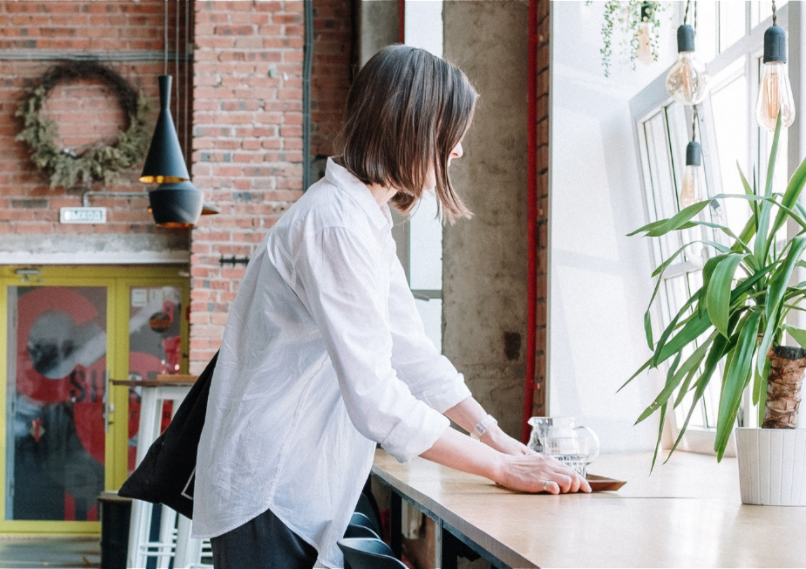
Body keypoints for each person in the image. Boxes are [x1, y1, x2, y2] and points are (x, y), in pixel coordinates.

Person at [191, 44, 590, 569]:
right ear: (413, 128)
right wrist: (498, 468)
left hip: (298, 484)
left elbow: (412, 354)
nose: (458, 153)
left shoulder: (363, 221)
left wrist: (496, 437)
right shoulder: (334, 225)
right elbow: (376, 400)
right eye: (451, 136)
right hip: (273, 485)